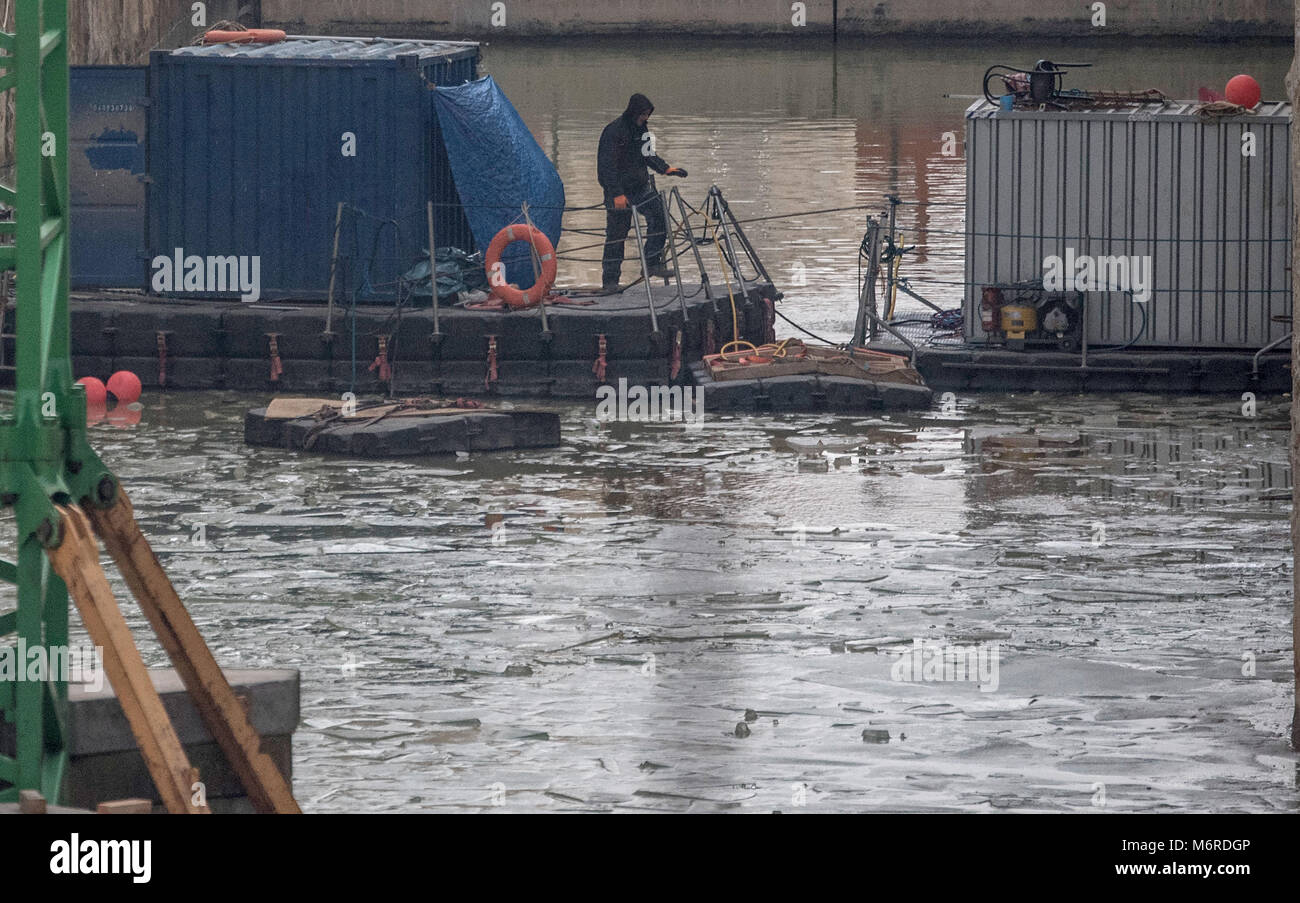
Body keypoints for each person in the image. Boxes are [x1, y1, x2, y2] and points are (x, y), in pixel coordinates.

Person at [596, 93, 688, 291]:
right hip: (618, 191)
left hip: (640, 188)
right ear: (634, 111)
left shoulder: (643, 130)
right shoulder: (613, 132)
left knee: (659, 216)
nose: (645, 118)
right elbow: (606, 167)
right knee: (617, 235)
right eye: (643, 114)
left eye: (648, 114)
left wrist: (665, 168)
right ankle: (610, 281)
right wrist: (616, 193)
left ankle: (651, 262)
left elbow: (649, 155)